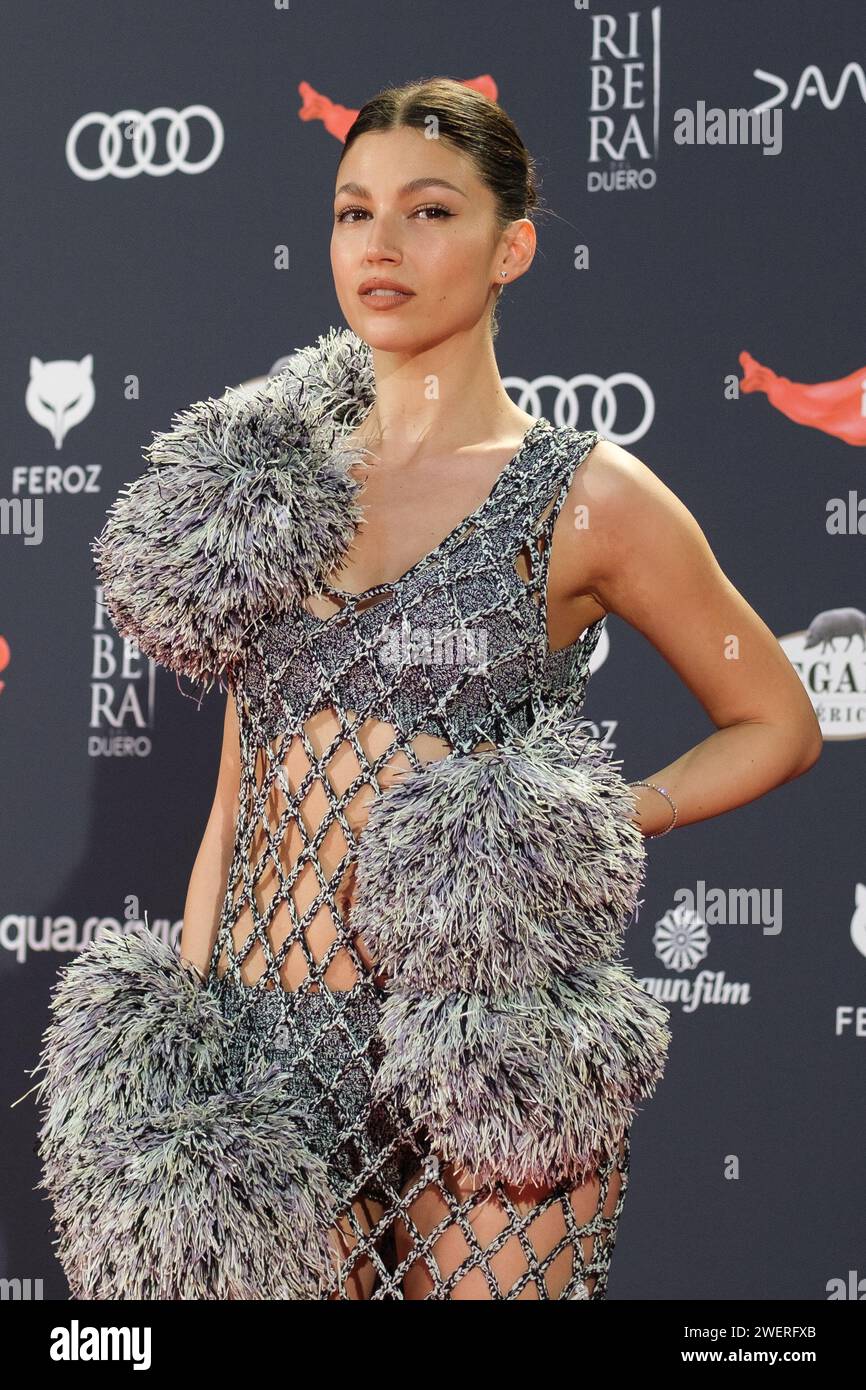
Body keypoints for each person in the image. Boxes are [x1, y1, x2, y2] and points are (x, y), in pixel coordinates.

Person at [30, 77, 822, 1302]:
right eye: (353, 213)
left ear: (512, 247)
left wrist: (580, 827)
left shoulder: (586, 494)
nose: (380, 245)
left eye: (428, 211)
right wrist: (184, 1046)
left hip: (486, 1048)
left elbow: (775, 717)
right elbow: (240, 797)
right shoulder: (271, 485)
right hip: (264, 1052)